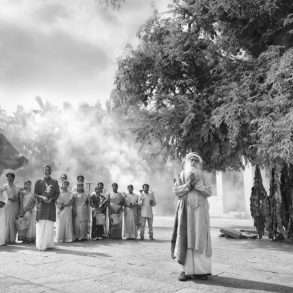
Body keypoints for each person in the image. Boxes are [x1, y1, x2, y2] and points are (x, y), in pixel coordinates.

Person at [171, 152, 212, 281]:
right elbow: (176, 191)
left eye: (195, 160)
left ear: (198, 163)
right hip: (186, 212)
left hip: (200, 212)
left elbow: (209, 191)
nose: (193, 162)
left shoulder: (204, 175)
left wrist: (197, 186)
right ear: (187, 162)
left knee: (200, 238)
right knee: (185, 239)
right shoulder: (181, 175)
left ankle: (202, 271)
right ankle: (185, 271)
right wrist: (188, 185)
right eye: (191, 160)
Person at [34, 165, 60, 250]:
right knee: (41, 225)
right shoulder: (38, 182)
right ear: (43, 171)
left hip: (50, 206)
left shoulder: (55, 182)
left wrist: (51, 199)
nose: (47, 171)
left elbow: (57, 193)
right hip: (41, 206)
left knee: (49, 225)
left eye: (49, 170)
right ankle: (41, 245)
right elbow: (35, 193)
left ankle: (48, 244)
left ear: (51, 171)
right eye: (46, 170)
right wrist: (42, 198)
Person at [3, 172, 19, 244]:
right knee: (6, 222)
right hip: (7, 205)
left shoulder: (16, 187)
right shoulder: (5, 186)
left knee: (12, 222)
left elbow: (17, 197)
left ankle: (12, 239)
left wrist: (13, 198)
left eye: (10, 177)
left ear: (13, 178)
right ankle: (6, 239)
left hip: (14, 206)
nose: (9, 178)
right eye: (8, 177)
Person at [72, 175, 89, 241]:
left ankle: (83, 236)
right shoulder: (74, 190)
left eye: (82, 179)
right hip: (77, 207)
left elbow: (88, 199)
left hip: (84, 208)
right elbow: (73, 199)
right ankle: (76, 236)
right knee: (76, 223)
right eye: (79, 179)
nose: (80, 180)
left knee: (83, 223)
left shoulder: (86, 189)